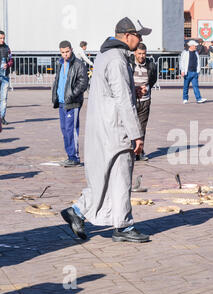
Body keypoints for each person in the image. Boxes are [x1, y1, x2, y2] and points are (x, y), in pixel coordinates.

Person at [60, 17, 152, 243]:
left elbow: (115, 92)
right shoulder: (117, 60)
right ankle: (122, 225)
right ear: (127, 36)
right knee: (120, 175)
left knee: (107, 176)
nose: (140, 40)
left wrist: (133, 90)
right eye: (138, 36)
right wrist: (136, 134)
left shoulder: (105, 56)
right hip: (115, 127)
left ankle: (80, 211)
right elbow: (122, 100)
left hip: (103, 124)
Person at [52, 41, 88, 167]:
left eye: (67, 51)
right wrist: (56, 95)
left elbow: (83, 82)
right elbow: (58, 80)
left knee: (71, 129)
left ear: (71, 50)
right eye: (62, 52)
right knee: (64, 130)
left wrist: (72, 94)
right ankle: (70, 155)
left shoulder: (78, 64)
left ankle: (74, 156)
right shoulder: (60, 63)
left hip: (72, 103)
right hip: (62, 102)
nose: (65, 55)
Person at [129, 42, 157, 161]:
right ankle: (130, 150)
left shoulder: (151, 65)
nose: (141, 56)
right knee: (130, 126)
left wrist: (147, 88)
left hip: (145, 101)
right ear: (135, 53)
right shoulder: (129, 64)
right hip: (131, 101)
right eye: (139, 53)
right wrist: (134, 90)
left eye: (144, 54)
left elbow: (153, 79)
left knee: (142, 127)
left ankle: (139, 152)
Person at [180, 40, 207, 104]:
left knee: (196, 86)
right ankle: (185, 98)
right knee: (186, 86)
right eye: (195, 46)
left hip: (195, 72)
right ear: (191, 46)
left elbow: (198, 62)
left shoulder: (196, 53)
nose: (196, 47)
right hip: (187, 72)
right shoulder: (185, 52)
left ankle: (199, 98)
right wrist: (182, 71)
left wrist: (198, 71)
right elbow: (182, 62)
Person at [0, 30, 13, 126]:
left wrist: (7, 65)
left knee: (4, 98)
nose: (2, 40)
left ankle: (2, 117)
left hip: (5, 76)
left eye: (3, 38)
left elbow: (11, 60)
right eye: (0, 38)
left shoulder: (7, 48)